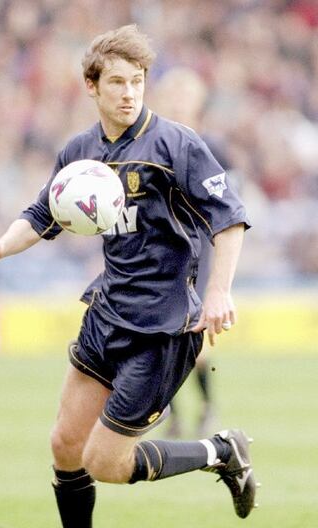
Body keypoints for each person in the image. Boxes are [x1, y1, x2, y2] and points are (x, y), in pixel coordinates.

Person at [0, 24, 258, 528]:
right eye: (117, 82)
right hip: (107, 311)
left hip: (164, 325)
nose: (129, 92)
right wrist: (1, 246)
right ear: (91, 86)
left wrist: (219, 291)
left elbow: (230, 220)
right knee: (65, 443)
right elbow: (41, 213)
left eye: (137, 81)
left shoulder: (176, 145)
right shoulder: (79, 152)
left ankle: (220, 450)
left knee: (106, 463)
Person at [150, 66, 235, 439]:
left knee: (193, 335)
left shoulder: (211, 147)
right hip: (160, 251)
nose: (178, 103)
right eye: (172, 96)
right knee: (159, 335)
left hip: (198, 251)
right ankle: (173, 413)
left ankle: (206, 406)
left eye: (185, 96)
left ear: (198, 103)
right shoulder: (152, 145)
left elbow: (229, 205)